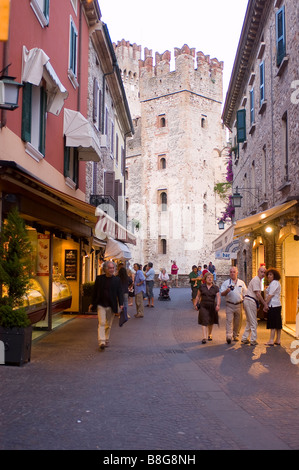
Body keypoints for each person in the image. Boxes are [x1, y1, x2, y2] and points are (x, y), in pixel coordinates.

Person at [90, 260, 123, 350]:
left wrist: (121, 304)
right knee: (102, 323)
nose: (111, 270)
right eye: (110, 268)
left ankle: (106, 338)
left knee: (108, 324)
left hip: (111, 305)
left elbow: (119, 292)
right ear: (105, 269)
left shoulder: (117, 280)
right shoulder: (99, 279)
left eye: (113, 268)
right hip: (101, 304)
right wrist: (92, 303)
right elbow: (95, 292)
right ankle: (101, 341)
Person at [241, 266, 268, 345]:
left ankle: (244, 338)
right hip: (250, 301)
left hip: (250, 301)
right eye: (261, 272)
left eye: (264, 272)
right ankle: (253, 340)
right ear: (258, 272)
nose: (263, 274)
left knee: (250, 321)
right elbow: (258, 294)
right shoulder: (256, 280)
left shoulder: (258, 280)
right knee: (254, 322)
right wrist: (264, 304)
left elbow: (256, 295)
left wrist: (258, 304)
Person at [220, 266, 247, 344]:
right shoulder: (226, 283)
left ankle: (236, 335)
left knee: (238, 321)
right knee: (229, 320)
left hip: (239, 305)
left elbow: (245, 294)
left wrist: (245, 304)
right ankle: (229, 335)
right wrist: (227, 291)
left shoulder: (241, 283)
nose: (232, 273)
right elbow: (221, 293)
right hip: (229, 304)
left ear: (237, 273)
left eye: (234, 272)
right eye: (231, 272)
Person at [196, 272, 221, 344]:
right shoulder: (201, 286)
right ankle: (204, 337)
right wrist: (195, 304)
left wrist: (218, 305)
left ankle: (209, 334)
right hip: (203, 305)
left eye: (211, 278)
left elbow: (218, 297)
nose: (210, 279)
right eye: (208, 277)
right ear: (205, 279)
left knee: (211, 321)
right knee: (204, 320)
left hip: (212, 305)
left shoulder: (215, 288)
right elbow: (198, 296)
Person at [264, 268, 282, 346]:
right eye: (268, 274)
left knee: (273, 323)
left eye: (271, 274)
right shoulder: (274, 283)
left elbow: (270, 295)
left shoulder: (274, 283)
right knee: (277, 323)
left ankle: (271, 340)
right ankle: (278, 339)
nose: (269, 276)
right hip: (276, 305)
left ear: (275, 275)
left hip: (273, 305)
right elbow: (266, 292)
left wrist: (265, 304)